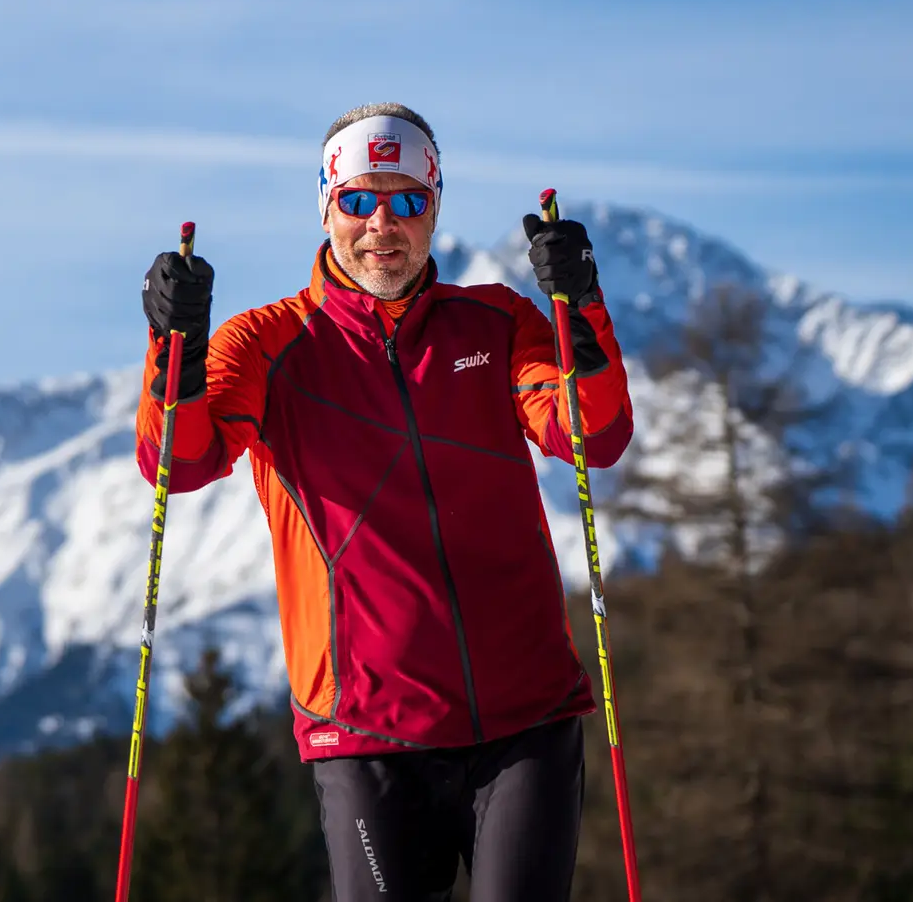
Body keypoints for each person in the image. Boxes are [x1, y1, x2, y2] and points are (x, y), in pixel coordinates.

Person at [136, 102, 633, 901]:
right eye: (359, 200)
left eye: (407, 201)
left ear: (435, 207)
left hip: (527, 719)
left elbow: (590, 435)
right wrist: (175, 347)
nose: (382, 225)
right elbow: (177, 462)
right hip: (365, 732)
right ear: (327, 204)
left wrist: (583, 311)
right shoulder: (267, 343)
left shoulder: (497, 322)